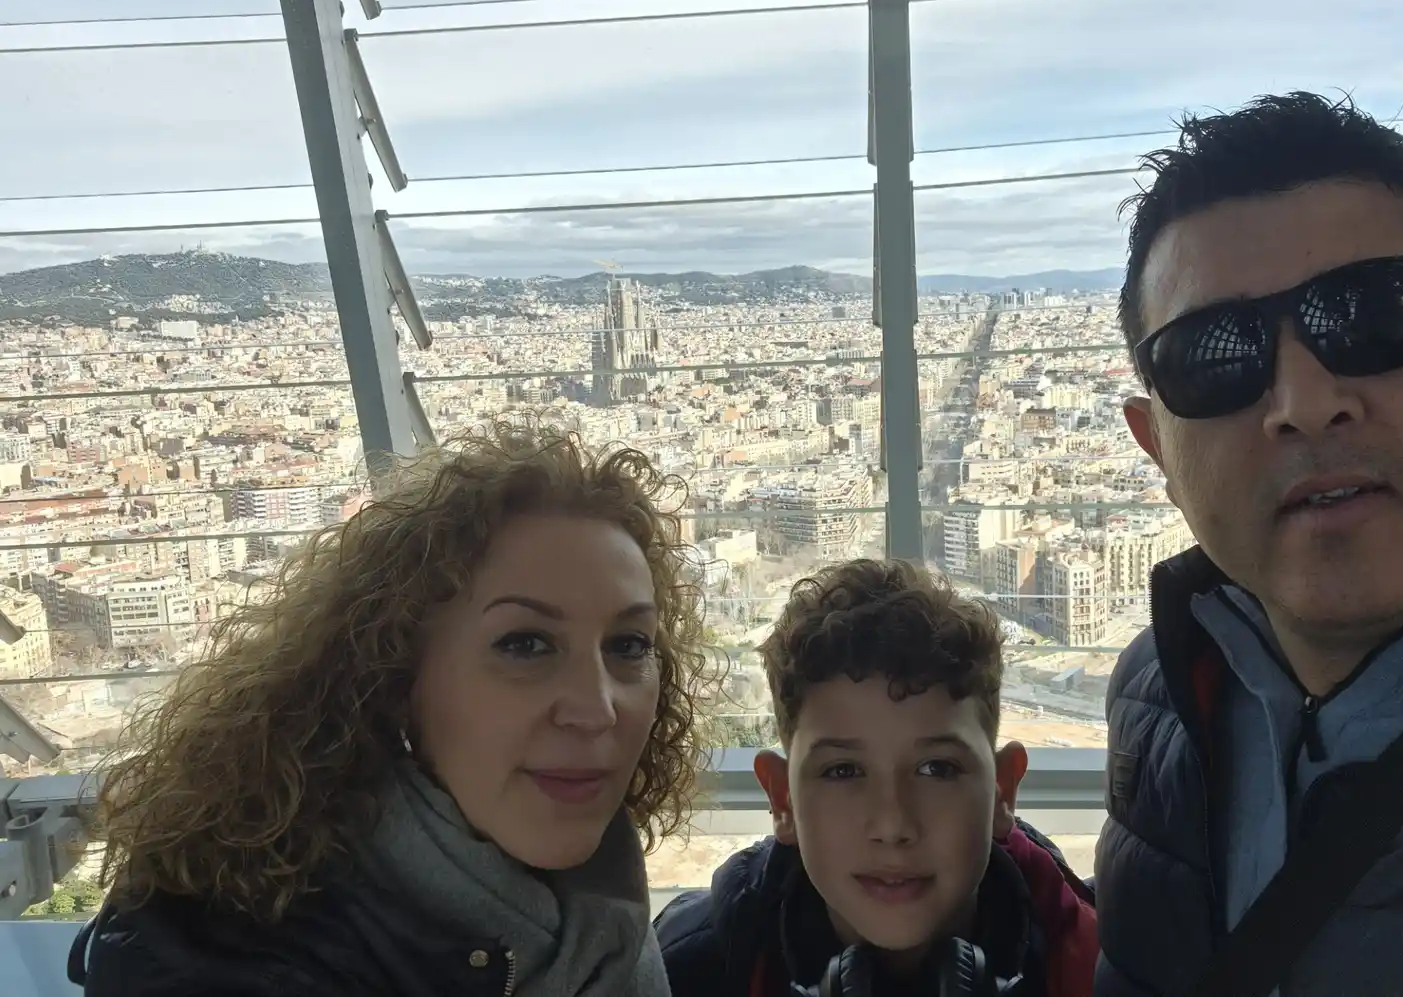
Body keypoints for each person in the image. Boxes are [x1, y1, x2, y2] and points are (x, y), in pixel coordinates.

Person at [67, 425, 713, 997]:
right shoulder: (226, 956)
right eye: (525, 644)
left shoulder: (595, 907)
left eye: (629, 645)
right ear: (397, 674)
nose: (597, 708)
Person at [1098, 92, 1403, 996]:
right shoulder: (1157, 696)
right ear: (1155, 443)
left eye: (1377, 317)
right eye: (1214, 356)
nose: (1304, 402)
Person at [655, 559, 1096, 997]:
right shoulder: (685, 974)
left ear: (1002, 791)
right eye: (843, 771)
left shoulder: (1107, 967)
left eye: (936, 770)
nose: (893, 825)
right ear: (783, 799)